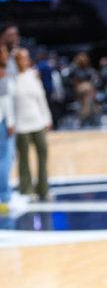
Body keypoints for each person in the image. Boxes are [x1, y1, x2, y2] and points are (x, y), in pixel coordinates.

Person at [14, 48, 53, 200]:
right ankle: (27, 189)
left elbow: (41, 99)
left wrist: (47, 119)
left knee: (43, 153)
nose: (25, 60)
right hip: (20, 125)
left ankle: (43, 189)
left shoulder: (33, 75)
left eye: (27, 57)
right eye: (21, 58)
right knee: (23, 158)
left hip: (38, 121)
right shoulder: (11, 78)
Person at [0, 44, 15, 212]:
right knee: (5, 160)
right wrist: (10, 123)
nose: (6, 56)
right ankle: (4, 197)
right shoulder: (2, 74)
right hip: (2, 121)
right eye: (3, 53)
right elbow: (4, 103)